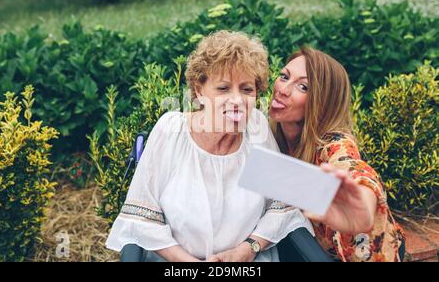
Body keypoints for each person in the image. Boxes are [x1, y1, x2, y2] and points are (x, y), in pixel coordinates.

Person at [106, 31, 313, 262]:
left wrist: (248, 248)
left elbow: (280, 206)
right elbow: (142, 220)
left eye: (246, 89)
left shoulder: (256, 128)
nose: (236, 101)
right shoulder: (172, 131)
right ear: (199, 91)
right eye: (223, 88)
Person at [269, 47, 405, 262]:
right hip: (313, 244)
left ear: (322, 102)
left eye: (302, 87)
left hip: (364, 248)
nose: (283, 89)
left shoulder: (333, 143)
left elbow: (352, 168)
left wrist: (363, 204)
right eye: (284, 77)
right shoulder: (268, 135)